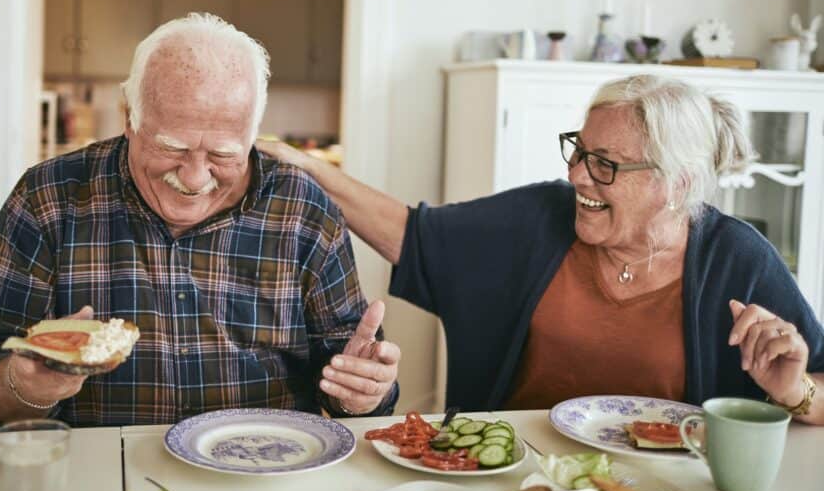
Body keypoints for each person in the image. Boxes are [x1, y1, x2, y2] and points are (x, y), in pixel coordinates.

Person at [259, 74, 824, 424]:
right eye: (578, 151)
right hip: (516, 483)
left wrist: (794, 390)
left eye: (605, 164)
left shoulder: (737, 258)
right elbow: (412, 236)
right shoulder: (538, 219)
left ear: (676, 183)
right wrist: (308, 166)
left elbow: (816, 389)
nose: (578, 175)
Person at [0, 13, 400, 431]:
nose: (193, 178)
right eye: (172, 147)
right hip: (105, 477)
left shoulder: (303, 208)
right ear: (129, 118)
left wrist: (363, 394)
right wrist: (24, 388)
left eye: (223, 154)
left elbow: (353, 385)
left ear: (252, 134)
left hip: (265, 474)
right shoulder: (48, 198)